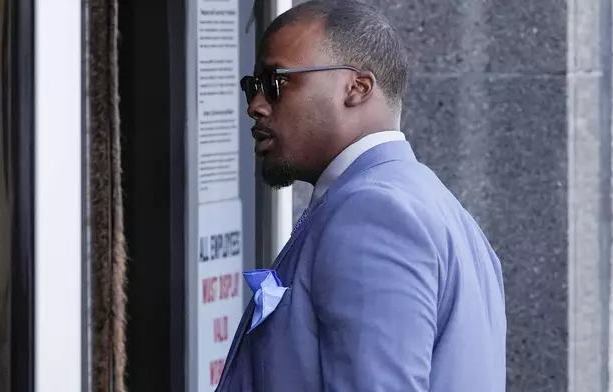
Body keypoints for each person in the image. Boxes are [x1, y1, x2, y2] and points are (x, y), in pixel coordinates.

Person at [217, 1, 507, 391]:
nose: (256, 105)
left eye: (276, 82)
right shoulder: (429, 204)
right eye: (254, 87)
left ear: (357, 88)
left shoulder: (373, 213)